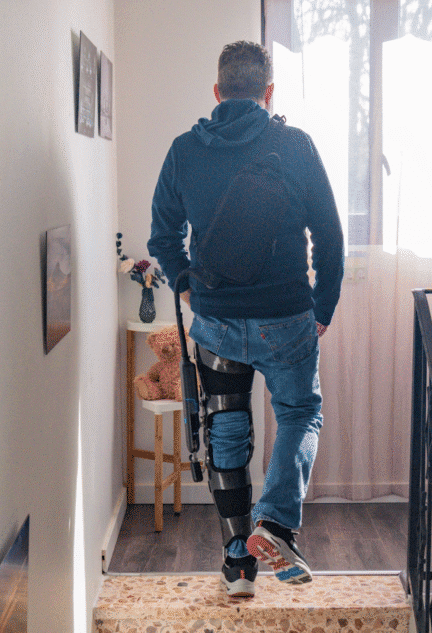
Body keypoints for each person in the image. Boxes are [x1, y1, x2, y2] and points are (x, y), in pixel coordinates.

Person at [147, 40, 344, 597]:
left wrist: (187, 286)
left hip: (216, 321)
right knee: (301, 412)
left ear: (217, 92)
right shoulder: (295, 144)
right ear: (269, 92)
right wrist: (321, 308)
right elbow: (329, 236)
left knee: (227, 431)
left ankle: (238, 563)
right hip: (286, 317)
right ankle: (276, 523)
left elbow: (162, 236)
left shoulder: (185, 150)